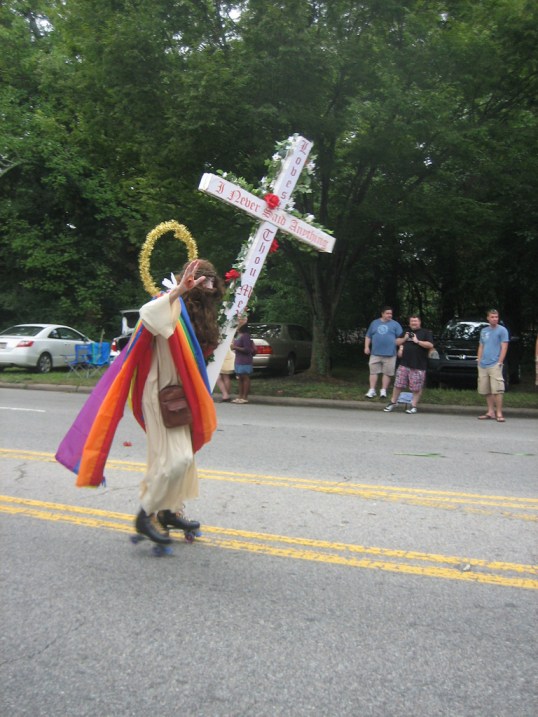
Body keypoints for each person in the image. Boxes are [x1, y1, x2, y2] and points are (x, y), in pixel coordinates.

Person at [56, 259, 223, 547]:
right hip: (158, 393)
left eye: (211, 281)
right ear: (188, 279)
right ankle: (145, 515)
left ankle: (169, 511)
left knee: (184, 460)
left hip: (182, 395)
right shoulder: (169, 302)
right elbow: (146, 315)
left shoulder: (201, 316)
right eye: (201, 280)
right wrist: (178, 292)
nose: (207, 286)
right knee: (174, 460)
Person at [383, 315, 434, 414]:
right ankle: (393, 402)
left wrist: (417, 341)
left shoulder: (425, 332)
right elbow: (397, 342)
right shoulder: (406, 332)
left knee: (416, 387)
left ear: (419, 322)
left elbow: (430, 345)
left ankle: (413, 405)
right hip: (404, 364)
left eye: (415, 321)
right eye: (412, 321)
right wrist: (404, 339)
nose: (414, 323)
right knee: (398, 384)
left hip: (418, 365)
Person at [477, 308, 509, 422]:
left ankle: (499, 413)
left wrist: (500, 361)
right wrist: (479, 360)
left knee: (497, 390)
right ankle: (490, 411)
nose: (495, 319)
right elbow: (481, 346)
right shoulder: (484, 331)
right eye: (492, 317)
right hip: (483, 364)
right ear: (488, 318)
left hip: (495, 363)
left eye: (496, 317)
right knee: (486, 390)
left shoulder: (502, 330)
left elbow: (504, 346)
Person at [364, 306, 403, 399]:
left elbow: (401, 338)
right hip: (375, 353)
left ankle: (383, 390)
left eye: (391, 313)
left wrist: (401, 349)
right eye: (387, 313)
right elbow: (368, 336)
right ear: (382, 313)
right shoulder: (374, 323)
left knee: (387, 373)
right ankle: (372, 390)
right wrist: (366, 347)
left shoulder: (395, 324)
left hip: (390, 353)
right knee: (373, 372)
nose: (390, 315)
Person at [231, 322, 256, 404]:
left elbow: (247, 349)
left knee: (245, 377)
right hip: (238, 359)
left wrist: (235, 347)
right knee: (239, 378)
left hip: (245, 360)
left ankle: (245, 397)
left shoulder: (245, 335)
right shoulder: (238, 335)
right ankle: (240, 396)